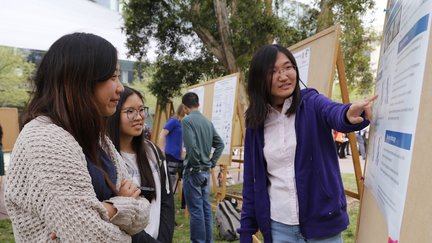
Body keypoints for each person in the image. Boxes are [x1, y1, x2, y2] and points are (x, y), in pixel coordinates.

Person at [5, 33, 149, 242]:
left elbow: (143, 208)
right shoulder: (43, 140)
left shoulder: (97, 139)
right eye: (112, 77)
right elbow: (90, 236)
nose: (120, 87)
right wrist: (122, 206)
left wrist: (110, 209)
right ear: (80, 80)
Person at [238, 44, 376, 242]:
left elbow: (334, 112)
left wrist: (347, 113)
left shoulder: (311, 102)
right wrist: (246, 230)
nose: (283, 76)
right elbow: (251, 181)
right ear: (260, 79)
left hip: (323, 224)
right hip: (279, 227)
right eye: (273, 71)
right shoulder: (255, 123)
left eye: (288, 67)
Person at [107, 86, 175, 243]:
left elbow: (166, 202)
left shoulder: (153, 152)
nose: (139, 117)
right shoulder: (106, 157)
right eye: (130, 111)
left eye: (141, 109)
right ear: (115, 114)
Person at [181, 92, 225, 243]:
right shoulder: (207, 122)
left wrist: (196, 166)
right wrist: (211, 163)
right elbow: (220, 144)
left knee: (196, 211)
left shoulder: (187, 121)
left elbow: (191, 148)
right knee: (205, 209)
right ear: (198, 104)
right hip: (205, 172)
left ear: (184, 107)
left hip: (194, 172)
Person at [158, 104, 185, 191]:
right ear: (183, 109)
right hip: (170, 155)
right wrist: (162, 151)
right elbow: (162, 134)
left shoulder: (181, 123)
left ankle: (169, 199)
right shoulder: (173, 121)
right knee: (168, 181)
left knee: (173, 182)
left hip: (177, 156)